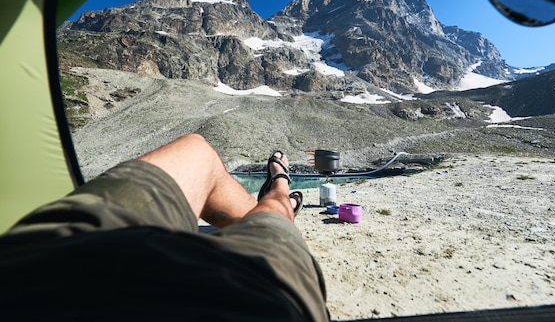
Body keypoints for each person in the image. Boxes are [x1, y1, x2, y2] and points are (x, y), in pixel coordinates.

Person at [0, 133, 330, 321]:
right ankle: (277, 192)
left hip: (39, 260)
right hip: (241, 298)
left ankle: (264, 209)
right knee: (274, 215)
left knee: (198, 149)